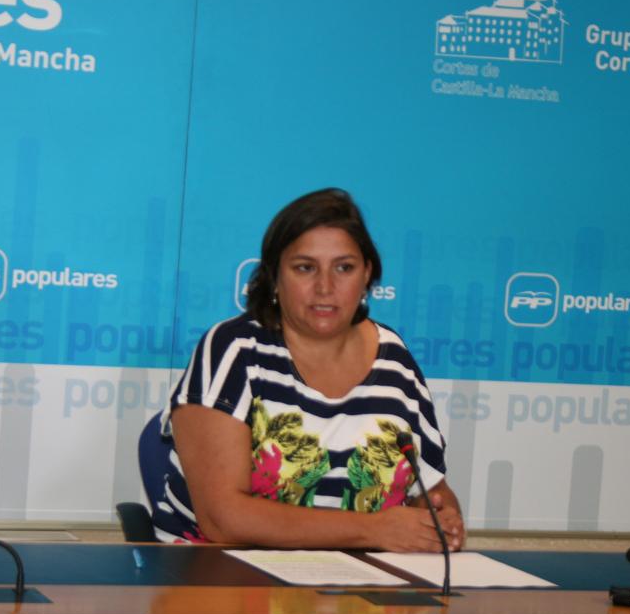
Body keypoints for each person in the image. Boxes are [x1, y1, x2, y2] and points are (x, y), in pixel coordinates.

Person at [150, 188, 465, 552]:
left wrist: (441, 521)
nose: (325, 287)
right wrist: (373, 530)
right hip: (217, 569)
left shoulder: (395, 359)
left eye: (344, 268)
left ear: (367, 275)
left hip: (359, 576)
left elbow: (432, 490)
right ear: (274, 276)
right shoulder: (234, 350)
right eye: (305, 267)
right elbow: (223, 518)